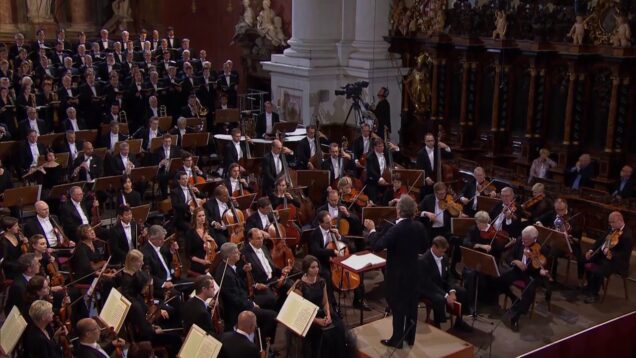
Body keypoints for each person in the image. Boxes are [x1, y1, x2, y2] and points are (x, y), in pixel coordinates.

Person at [364, 195, 425, 348]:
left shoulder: (396, 229)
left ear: (399, 211)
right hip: (414, 272)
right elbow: (424, 246)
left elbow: (377, 246)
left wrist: (371, 230)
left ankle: (397, 340)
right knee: (411, 306)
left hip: (397, 275)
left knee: (397, 306)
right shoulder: (419, 226)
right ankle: (409, 338)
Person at [214, 243, 278, 340]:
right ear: (229, 256)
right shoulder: (226, 275)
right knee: (272, 316)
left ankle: (258, 326)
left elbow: (237, 284)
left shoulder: (228, 266)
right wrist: (252, 304)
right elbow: (235, 300)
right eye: (236, 252)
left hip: (244, 299)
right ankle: (263, 341)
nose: (239, 253)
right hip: (237, 310)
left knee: (271, 299)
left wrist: (243, 272)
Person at [291, 255, 347, 358]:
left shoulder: (321, 281)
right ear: (306, 269)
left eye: (317, 267)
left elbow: (325, 302)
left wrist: (328, 315)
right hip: (307, 317)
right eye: (312, 267)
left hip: (320, 312)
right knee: (323, 335)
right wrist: (317, 321)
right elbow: (300, 310)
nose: (316, 270)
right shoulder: (300, 286)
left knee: (338, 329)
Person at [500, 226, 551, 332]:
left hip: (532, 274)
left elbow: (543, 265)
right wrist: (515, 261)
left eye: (526, 240)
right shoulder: (520, 240)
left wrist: (541, 271)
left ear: (534, 238)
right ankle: (514, 298)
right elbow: (509, 256)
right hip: (518, 270)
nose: (523, 241)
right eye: (523, 239)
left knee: (529, 291)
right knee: (501, 278)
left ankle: (516, 317)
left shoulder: (542, 248)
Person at [418, 236, 472, 331]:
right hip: (427, 288)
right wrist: (446, 295)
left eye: (444, 252)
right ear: (434, 247)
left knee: (462, 292)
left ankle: (459, 321)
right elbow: (428, 283)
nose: (443, 254)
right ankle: (438, 324)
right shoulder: (423, 260)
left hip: (441, 284)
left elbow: (449, 276)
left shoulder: (444, 257)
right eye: (441, 251)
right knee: (439, 298)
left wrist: (452, 291)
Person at [581, 211, 633, 303]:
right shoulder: (612, 228)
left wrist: (610, 253)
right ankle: (589, 286)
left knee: (598, 270)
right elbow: (600, 240)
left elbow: (624, 254)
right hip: (603, 255)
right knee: (585, 260)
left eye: (612, 222)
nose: (610, 224)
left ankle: (594, 294)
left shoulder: (627, 235)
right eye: (610, 222)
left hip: (616, 262)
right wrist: (591, 250)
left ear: (620, 221)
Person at [186, 207, 217, 275]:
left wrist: (213, 241)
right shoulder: (190, 233)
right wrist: (202, 261)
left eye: (203, 215)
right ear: (195, 218)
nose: (202, 218)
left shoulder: (209, 230)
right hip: (198, 261)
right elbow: (189, 255)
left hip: (210, 258)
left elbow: (216, 248)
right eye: (199, 216)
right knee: (209, 271)